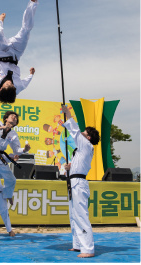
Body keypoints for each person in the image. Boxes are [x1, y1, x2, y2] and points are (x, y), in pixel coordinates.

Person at [62, 105, 100, 259]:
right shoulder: (80, 150)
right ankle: (77, 244)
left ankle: (88, 248)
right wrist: (69, 167)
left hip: (79, 182)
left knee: (81, 215)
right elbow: (78, 166)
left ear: (88, 137)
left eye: (85, 132)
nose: (82, 133)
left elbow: (75, 131)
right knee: (74, 215)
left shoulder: (86, 144)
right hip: (74, 180)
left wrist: (68, 114)